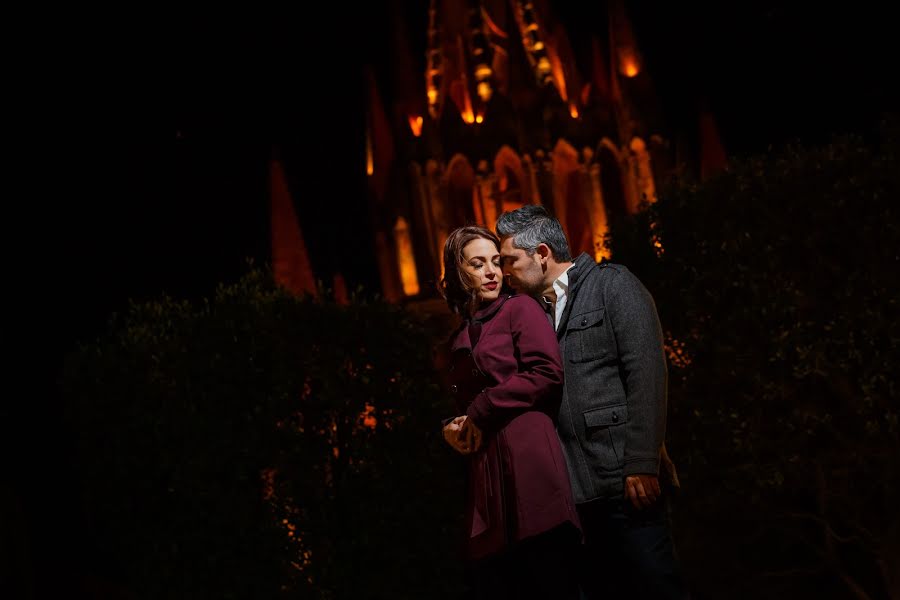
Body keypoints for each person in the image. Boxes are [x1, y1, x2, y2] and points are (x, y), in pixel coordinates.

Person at [496, 205, 688, 600]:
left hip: (626, 485)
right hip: (574, 500)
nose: (505, 273)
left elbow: (647, 373)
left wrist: (641, 462)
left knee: (656, 588)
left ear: (542, 253)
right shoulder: (528, 315)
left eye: (510, 260)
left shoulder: (613, 286)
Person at [439, 225, 581, 600]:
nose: (491, 272)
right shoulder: (454, 338)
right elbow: (456, 407)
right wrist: (451, 428)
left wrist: (482, 407)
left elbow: (547, 372)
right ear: (457, 271)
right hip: (485, 473)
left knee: (550, 578)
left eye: (496, 262)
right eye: (477, 263)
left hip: (529, 463)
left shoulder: (520, 308)